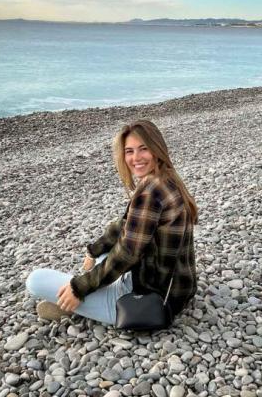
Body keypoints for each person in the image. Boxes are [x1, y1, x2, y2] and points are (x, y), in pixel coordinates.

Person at [26, 119, 198, 326]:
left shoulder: (151, 193)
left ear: (156, 149)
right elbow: (124, 227)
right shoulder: (166, 178)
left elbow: (127, 253)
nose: (135, 158)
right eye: (129, 151)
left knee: (35, 280)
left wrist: (78, 288)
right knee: (105, 256)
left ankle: (75, 305)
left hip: (148, 300)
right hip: (179, 287)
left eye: (143, 149)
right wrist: (93, 251)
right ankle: (77, 304)